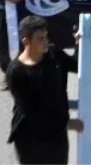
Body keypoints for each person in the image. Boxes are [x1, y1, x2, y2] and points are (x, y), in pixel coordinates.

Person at [6, 15, 83, 164]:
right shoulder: (17, 72)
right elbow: (34, 112)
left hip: (57, 136)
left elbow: (77, 66)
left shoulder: (53, 53)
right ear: (26, 41)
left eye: (46, 36)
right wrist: (67, 124)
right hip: (31, 139)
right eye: (40, 39)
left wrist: (80, 44)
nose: (46, 41)